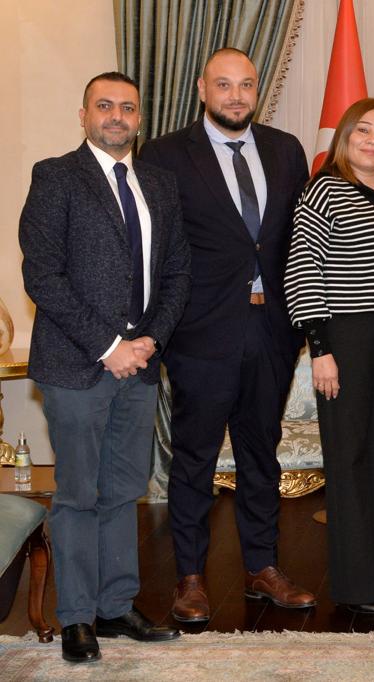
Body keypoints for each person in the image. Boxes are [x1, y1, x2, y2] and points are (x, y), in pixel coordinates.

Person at [139, 47, 315, 622]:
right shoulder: (164, 154)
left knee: (261, 453)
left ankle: (263, 567)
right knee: (194, 457)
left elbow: (298, 239)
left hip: (272, 329)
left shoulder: (286, 149)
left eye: (246, 85)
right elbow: (155, 249)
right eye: (224, 84)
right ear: (201, 88)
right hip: (200, 332)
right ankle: (190, 578)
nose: (236, 96)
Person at [19, 72, 190, 662]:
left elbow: (177, 273)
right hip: (77, 366)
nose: (117, 116)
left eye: (128, 108)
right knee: (77, 495)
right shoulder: (55, 176)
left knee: (123, 492)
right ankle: (76, 618)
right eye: (105, 106)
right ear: (84, 114)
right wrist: (108, 345)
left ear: (140, 118)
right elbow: (43, 275)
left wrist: (148, 341)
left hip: (140, 367)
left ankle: (116, 607)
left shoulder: (160, 184)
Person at [284, 98, 374, 615]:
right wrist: (320, 349)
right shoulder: (322, 189)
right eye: (364, 129)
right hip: (344, 337)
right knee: (349, 457)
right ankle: (354, 585)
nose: (373, 140)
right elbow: (302, 269)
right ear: (345, 135)